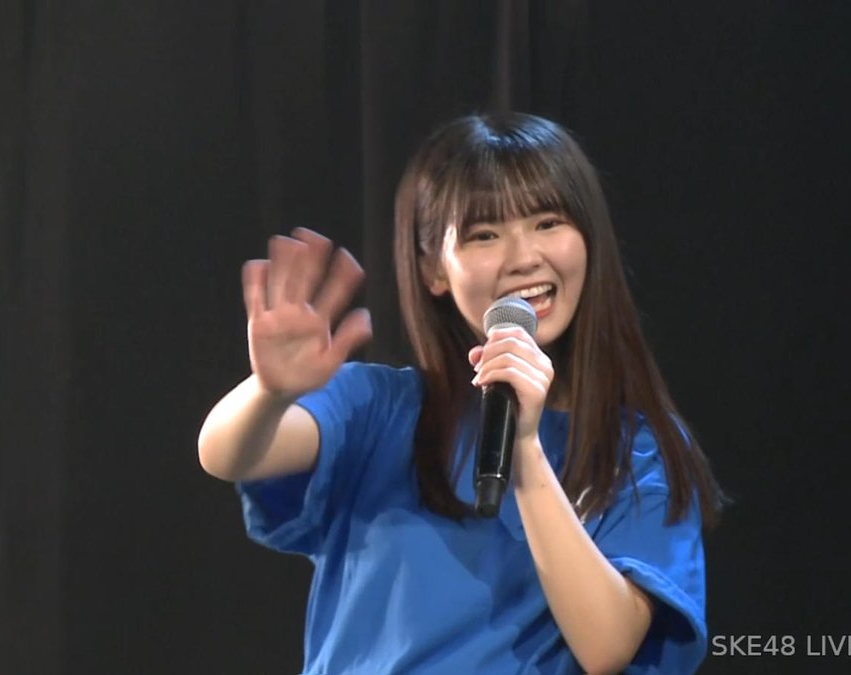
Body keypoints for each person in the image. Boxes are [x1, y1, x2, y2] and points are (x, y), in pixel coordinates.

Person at [198, 112, 724, 674]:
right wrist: (270, 392)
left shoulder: (636, 452)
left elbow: (608, 648)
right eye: (484, 234)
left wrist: (524, 447)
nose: (524, 257)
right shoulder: (380, 407)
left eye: (548, 222)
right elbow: (225, 453)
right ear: (434, 270)